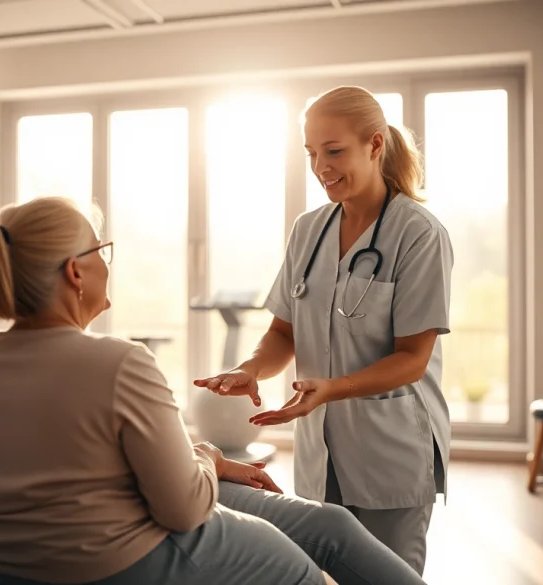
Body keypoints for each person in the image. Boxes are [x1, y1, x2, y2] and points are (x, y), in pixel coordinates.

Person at [0, 196, 428, 585]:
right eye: (101, 251)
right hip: (108, 562)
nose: (106, 264)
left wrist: (198, 458)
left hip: (0, 559)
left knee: (330, 525)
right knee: (301, 567)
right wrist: (209, 459)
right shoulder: (118, 361)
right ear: (75, 271)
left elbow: (68, 464)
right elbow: (183, 509)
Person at [194, 85, 453, 576]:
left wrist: (331, 389)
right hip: (321, 450)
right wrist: (251, 369)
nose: (321, 166)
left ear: (375, 145)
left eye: (334, 151)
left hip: (390, 447)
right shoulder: (308, 230)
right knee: (324, 574)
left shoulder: (418, 233)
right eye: (312, 153)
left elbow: (412, 358)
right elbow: (284, 335)